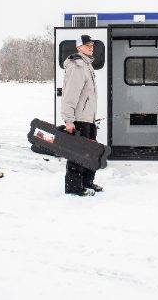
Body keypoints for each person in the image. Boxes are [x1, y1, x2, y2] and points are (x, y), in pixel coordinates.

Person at [61, 34, 104, 196]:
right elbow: (70, 95)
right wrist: (69, 120)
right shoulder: (77, 65)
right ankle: (73, 187)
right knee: (78, 154)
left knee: (90, 152)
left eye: (92, 45)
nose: (91, 47)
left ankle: (86, 182)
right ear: (79, 47)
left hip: (88, 119)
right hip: (79, 119)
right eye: (87, 45)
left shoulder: (87, 66)